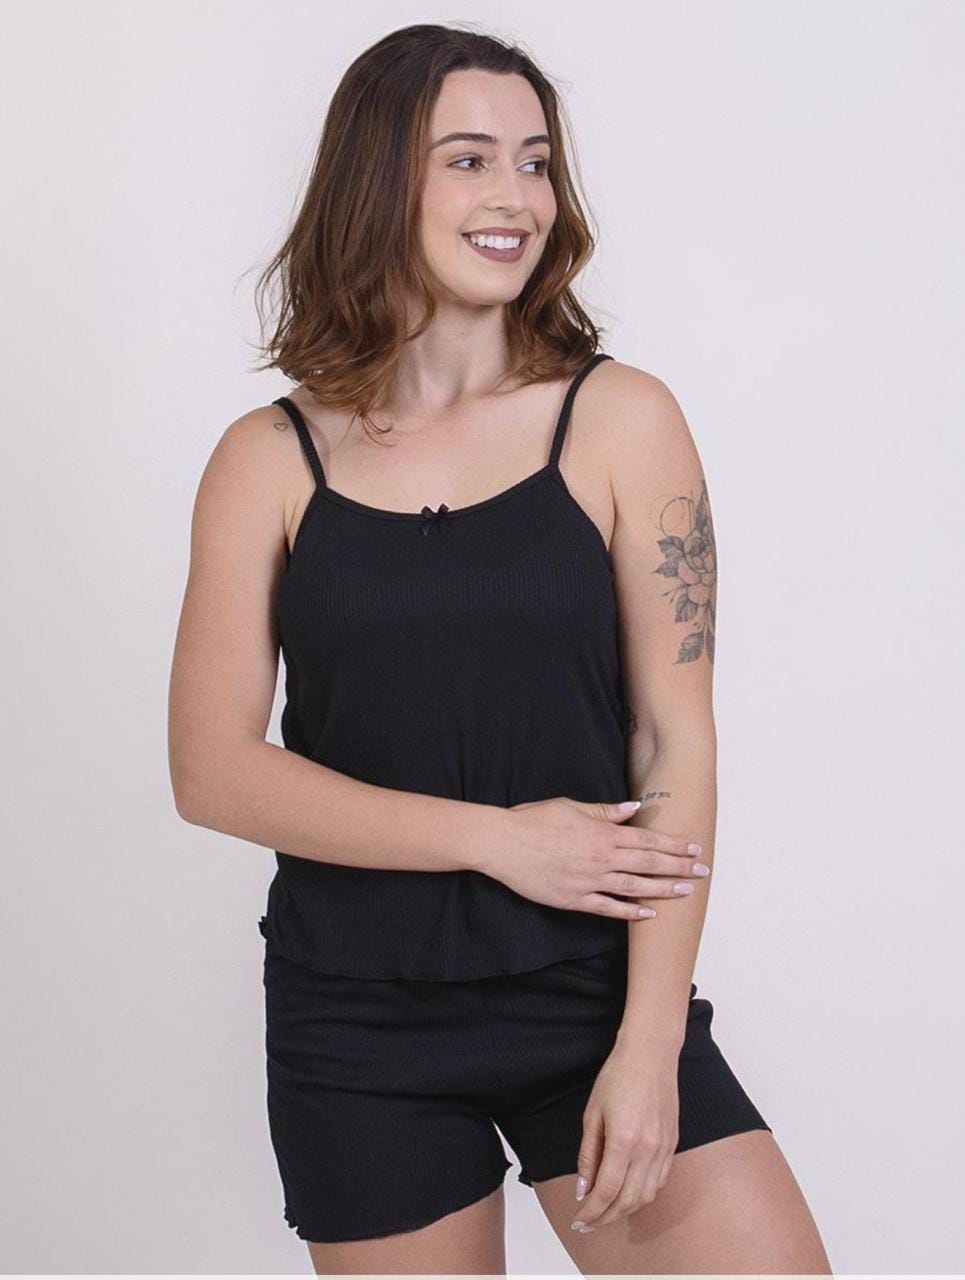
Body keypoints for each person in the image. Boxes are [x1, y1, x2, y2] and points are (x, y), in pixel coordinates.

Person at [168, 22, 832, 1276]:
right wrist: (498, 837)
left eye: (534, 163)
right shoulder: (266, 459)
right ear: (379, 181)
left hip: (590, 986)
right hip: (354, 1014)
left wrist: (648, 1043)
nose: (515, 197)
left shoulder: (620, 419)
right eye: (468, 160)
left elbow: (673, 737)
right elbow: (211, 770)